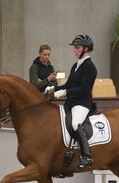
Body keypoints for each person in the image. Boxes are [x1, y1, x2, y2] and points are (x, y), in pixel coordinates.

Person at [45, 34, 97, 169]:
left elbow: (84, 89)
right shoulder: (76, 65)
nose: (74, 50)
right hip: (71, 102)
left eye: (77, 48)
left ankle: (87, 156)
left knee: (75, 124)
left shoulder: (90, 67)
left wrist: (65, 92)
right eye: (74, 48)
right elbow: (68, 84)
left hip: (82, 103)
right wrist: (54, 88)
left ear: (86, 48)